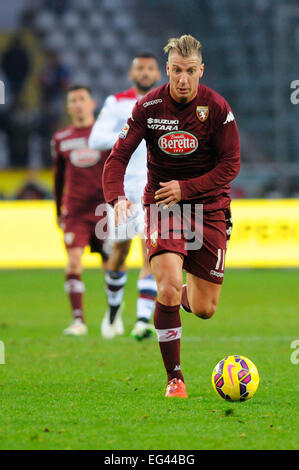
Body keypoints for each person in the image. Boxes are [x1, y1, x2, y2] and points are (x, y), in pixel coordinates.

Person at [102, 35, 240, 397]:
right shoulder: (149, 107)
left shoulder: (218, 109)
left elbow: (230, 165)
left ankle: (175, 297)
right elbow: (117, 157)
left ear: (201, 71)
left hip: (209, 209)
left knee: (205, 308)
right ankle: (174, 379)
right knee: (164, 285)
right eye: (176, 71)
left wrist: (188, 188)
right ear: (167, 70)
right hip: (163, 206)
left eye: (190, 71)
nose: (182, 79)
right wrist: (115, 197)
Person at [88, 53, 161, 340]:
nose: (145, 73)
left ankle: (143, 320)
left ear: (158, 73)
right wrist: (131, 132)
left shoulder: (167, 104)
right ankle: (114, 312)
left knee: (151, 251)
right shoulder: (116, 102)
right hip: (124, 190)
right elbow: (95, 139)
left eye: (150, 68)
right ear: (132, 73)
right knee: (118, 253)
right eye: (140, 68)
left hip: (155, 188)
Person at [52, 85, 110, 336]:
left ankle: (112, 316)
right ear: (68, 107)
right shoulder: (61, 138)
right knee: (73, 261)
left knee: (110, 264)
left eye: (81, 99)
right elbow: (58, 178)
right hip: (75, 211)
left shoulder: (106, 134)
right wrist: (58, 210)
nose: (77, 104)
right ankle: (78, 321)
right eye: (72, 100)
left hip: (104, 210)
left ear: (92, 103)